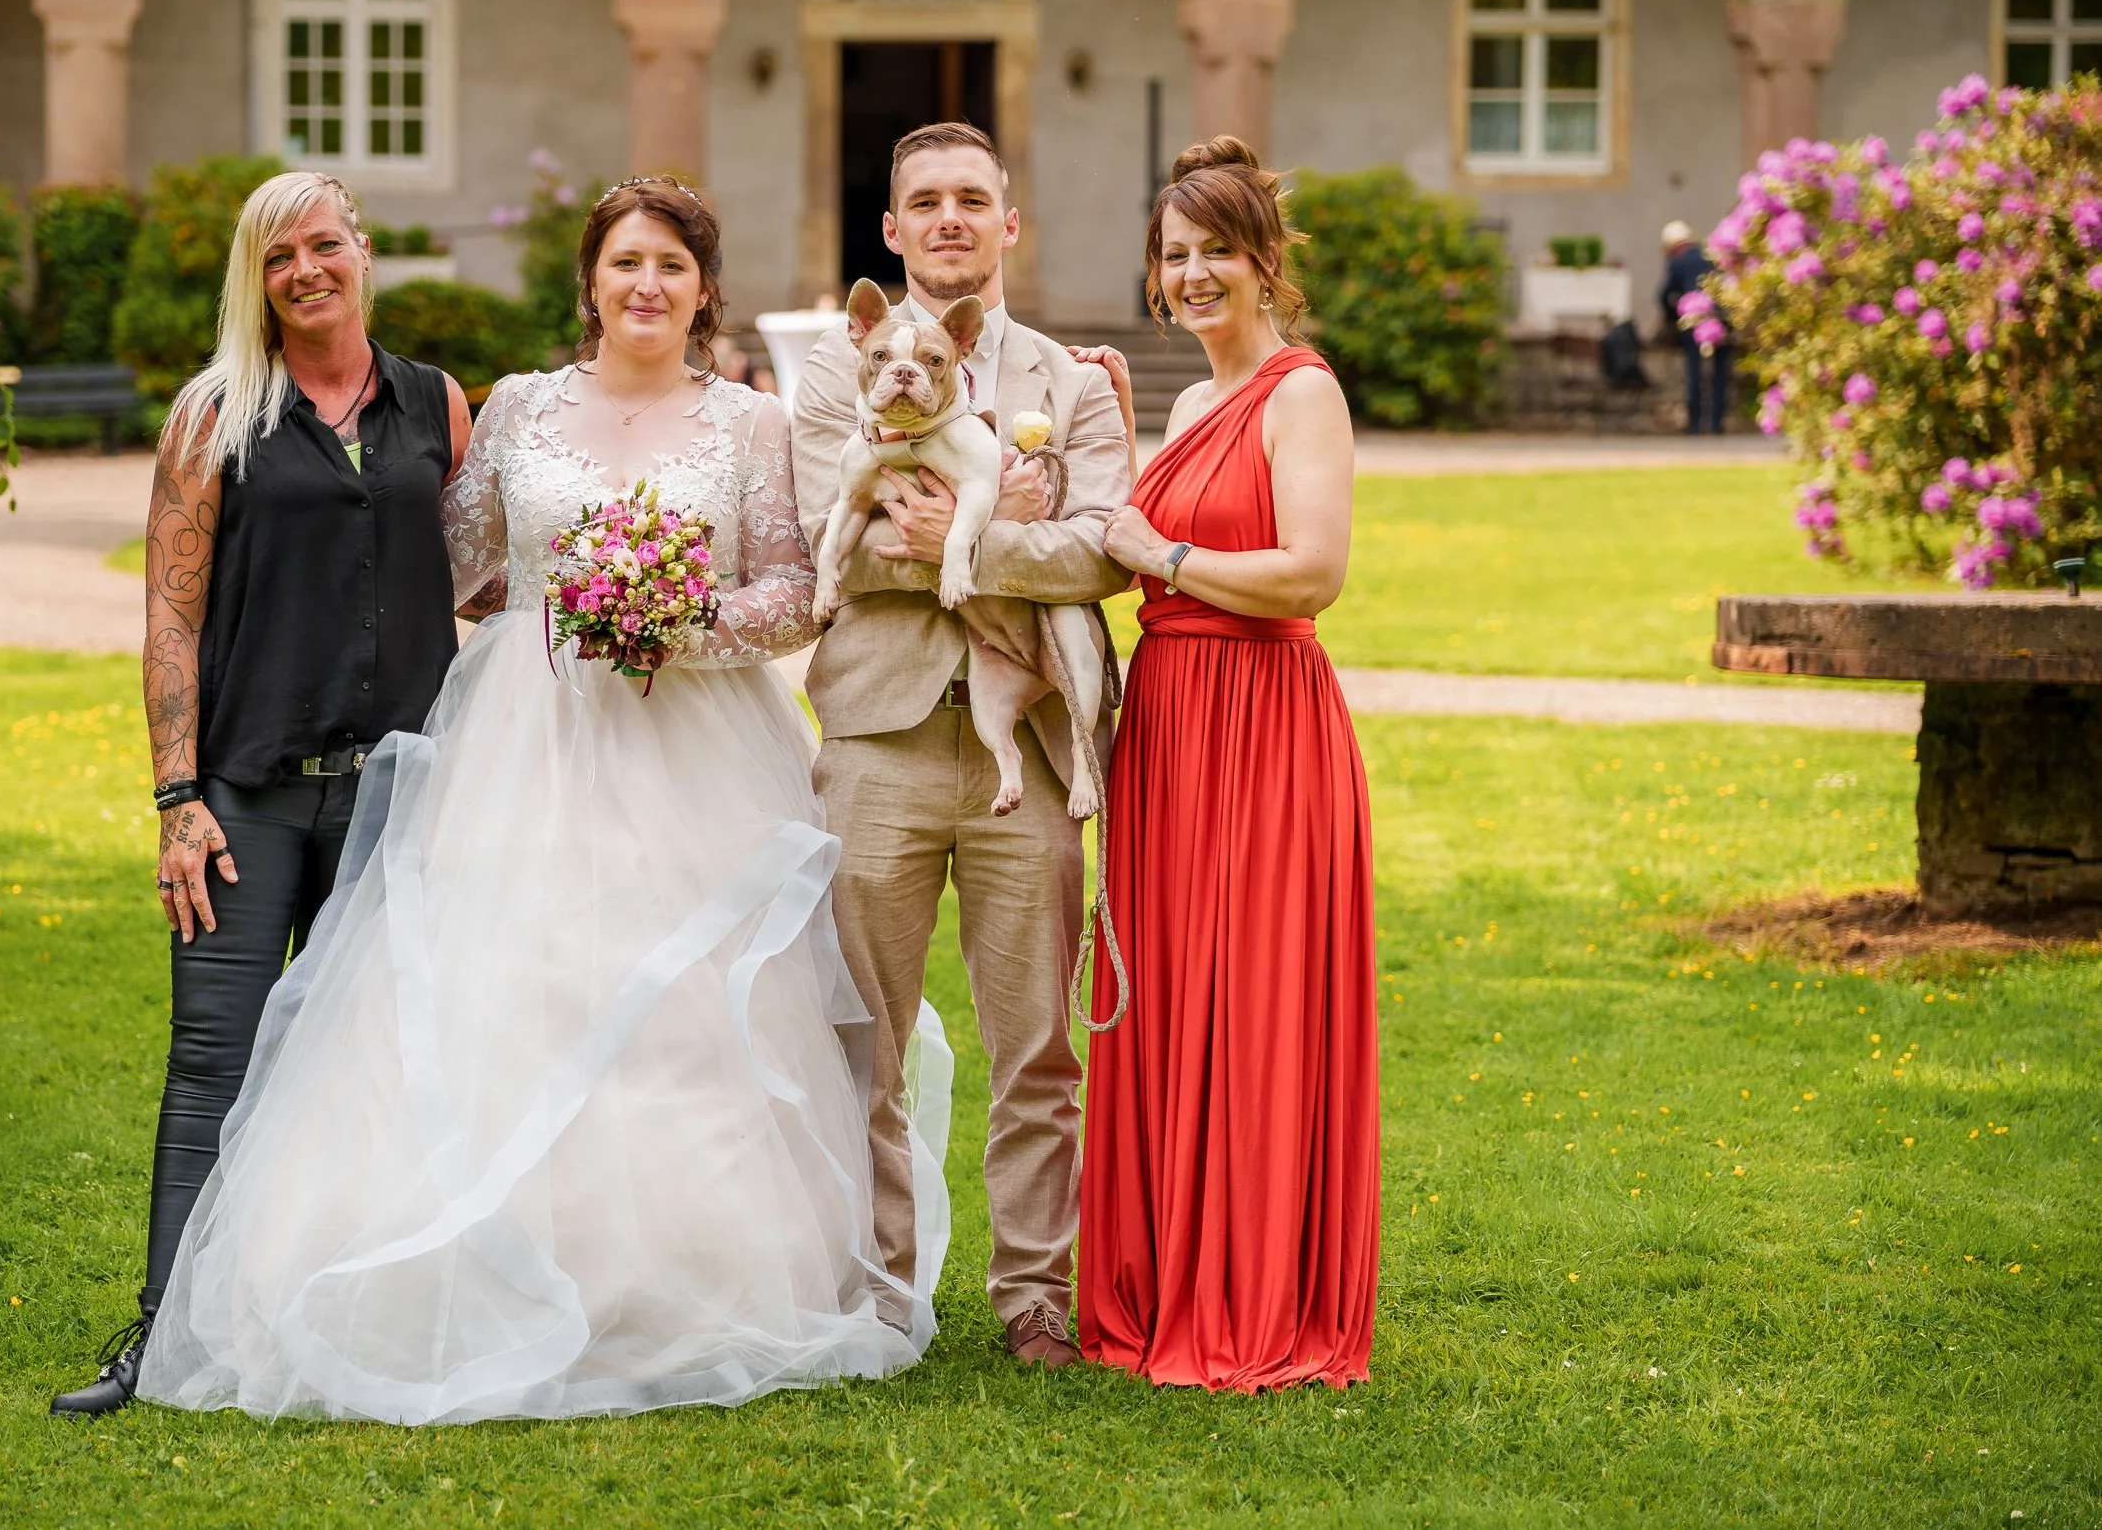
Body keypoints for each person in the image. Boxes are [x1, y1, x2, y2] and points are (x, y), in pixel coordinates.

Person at [131, 177, 951, 1424]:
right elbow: (451, 563)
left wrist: (674, 618)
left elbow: (794, 591)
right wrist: (560, 606)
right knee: (506, 994)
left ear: (703, 290)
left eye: (671, 266)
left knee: (684, 1013)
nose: (646, 285)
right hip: (524, 737)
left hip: (698, 749)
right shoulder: (512, 407)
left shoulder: (750, 423)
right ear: (590, 281)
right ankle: (450, 1270)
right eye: (625, 262)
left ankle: (676, 1281)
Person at [51, 172, 470, 1418]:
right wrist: (176, 795)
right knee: (211, 1064)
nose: (305, 270)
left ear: (362, 252)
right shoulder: (215, 413)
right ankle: (160, 1333)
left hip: (396, 797)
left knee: (377, 1065)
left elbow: (482, 572)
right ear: (257, 277)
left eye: (323, 244)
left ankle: (356, 1328)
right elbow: (168, 615)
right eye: (278, 255)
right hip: (245, 797)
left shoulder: (437, 404)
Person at [791, 122, 1134, 1370]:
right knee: (860, 1041)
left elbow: (1105, 546)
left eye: (972, 200)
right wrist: (998, 531)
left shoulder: (1071, 382)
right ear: (891, 228)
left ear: (1007, 225)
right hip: (875, 737)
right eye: (925, 200)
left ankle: (1033, 1295)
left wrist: (954, 538)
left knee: (1037, 1043)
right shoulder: (832, 371)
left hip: (1027, 750)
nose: (949, 218)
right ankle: (876, 1293)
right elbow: (829, 537)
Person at [1080, 135, 1379, 1391]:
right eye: (1174, 255)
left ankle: (1253, 1287)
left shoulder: (1301, 391)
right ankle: (1166, 1276)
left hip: (1261, 726)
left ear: (1265, 261)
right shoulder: (1192, 405)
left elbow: (1310, 572)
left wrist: (1159, 555)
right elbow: (1156, 536)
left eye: (1216, 251)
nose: (1194, 273)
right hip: (1169, 724)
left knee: (1250, 1000)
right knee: (1170, 992)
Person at [1660, 218, 1732, 435]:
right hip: (1721, 319)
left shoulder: (1678, 262)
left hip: (1694, 320)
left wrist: (1671, 319)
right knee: (1720, 375)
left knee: (1694, 372)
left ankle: (1695, 423)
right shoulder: (1711, 255)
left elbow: (1664, 295)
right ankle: (1717, 422)